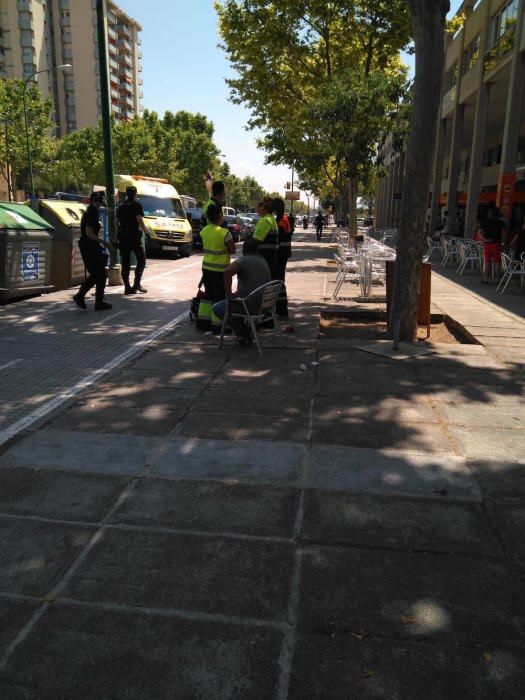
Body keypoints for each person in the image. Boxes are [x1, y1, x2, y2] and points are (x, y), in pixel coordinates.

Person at [213, 236, 271, 343]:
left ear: (244, 250)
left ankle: (242, 332)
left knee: (218, 308)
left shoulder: (243, 261)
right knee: (236, 301)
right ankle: (245, 330)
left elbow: (227, 272)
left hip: (250, 305)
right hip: (266, 305)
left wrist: (229, 293)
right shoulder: (263, 260)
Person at [197, 202, 236, 332]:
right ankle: (218, 325)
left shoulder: (204, 231)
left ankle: (203, 321)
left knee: (208, 294)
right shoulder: (225, 233)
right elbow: (233, 250)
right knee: (220, 296)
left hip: (206, 267)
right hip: (221, 270)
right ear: (220, 216)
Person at [73, 192, 112, 311]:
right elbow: (89, 233)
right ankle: (98, 302)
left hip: (89, 246)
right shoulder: (92, 213)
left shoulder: (91, 211)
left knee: (97, 274)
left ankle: (80, 296)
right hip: (89, 247)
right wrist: (104, 242)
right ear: (95, 201)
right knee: (100, 274)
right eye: (100, 202)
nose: (100, 205)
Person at [117, 186, 149, 295]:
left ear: (126, 194)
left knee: (125, 261)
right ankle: (137, 284)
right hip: (134, 236)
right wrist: (147, 232)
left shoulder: (121, 205)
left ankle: (127, 287)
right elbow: (139, 220)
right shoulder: (136, 205)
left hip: (123, 237)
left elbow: (116, 221)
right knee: (142, 259)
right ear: (135, 194)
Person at [273, 197, 292, 317]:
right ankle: (281, 309)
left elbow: (277, 240)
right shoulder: (283, 219)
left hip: (280, 255)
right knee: (280, 280)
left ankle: (282, 309)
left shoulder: (281, 222)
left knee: (279, 281)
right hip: (283, 254)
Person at [252, 197, 279, 278]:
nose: (257, 207)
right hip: (270, 258)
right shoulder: (271, 219)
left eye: (260, 205)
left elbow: (254, 241)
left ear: (265, 208)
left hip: (263, 259)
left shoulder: (265, 221)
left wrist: (249, 234)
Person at [479, 207, 506, 283]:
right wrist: (504, 242)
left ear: (491, 213)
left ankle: (485, 279)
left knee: (486, 262)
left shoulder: (485, 221)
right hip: (496, 244)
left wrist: (484, 239)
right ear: (498, 213)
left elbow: (479, 231)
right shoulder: (501, 222)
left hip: (487, 245)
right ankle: (498, 279)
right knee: (497, 262)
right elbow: (503, 234)